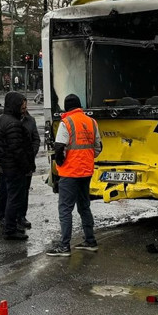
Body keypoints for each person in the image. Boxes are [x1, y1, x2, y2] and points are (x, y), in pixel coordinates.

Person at [46, 94, 102, 256]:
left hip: (70, 173)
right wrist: (87, 159)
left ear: (66, 107)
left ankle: (64, 246)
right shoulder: (91, 122)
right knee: (84, 206)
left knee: (65, 208)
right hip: (86, 172)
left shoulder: (67, 122)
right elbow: (98, 147)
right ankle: (90, 241)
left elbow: (59, 148)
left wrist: (61, 164)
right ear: (79, 106)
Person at [0, 92, 35, 240]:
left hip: (8, 166)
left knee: (12, 196)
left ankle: (11, 226)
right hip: (15, 168)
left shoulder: (3, 119)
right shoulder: (13, 123)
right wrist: (26, 166)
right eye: (21, 105)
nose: (23, 107)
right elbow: (17, 149)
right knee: (14, 198)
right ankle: (10, 229)